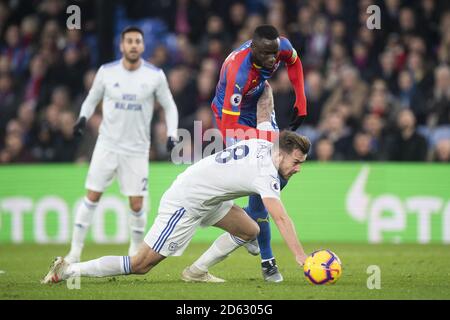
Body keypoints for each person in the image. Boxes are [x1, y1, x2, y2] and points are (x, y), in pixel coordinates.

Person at [42, 131, 310, 284]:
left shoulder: (265, 145)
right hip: (187, 200)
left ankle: (196, 272)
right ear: (280, 153)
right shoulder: (265, 173)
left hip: (210, 197)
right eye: (295, 162)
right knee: (141, 264)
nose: (297, 169)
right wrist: (300, 257)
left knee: (249, 230)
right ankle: (68, 271)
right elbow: (281, 218)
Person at [64, 26, 179, 263]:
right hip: (107, 145)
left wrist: (172, 133)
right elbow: (91, 99)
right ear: (122, 45)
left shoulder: (154, 75)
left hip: (137, 150)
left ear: (143, 46)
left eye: (138, 41)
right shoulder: (107, 72)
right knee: (92, 196)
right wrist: (82, 119)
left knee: (137, 203)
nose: (134, 45)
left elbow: (169, 105)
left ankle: (135, 248)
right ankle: (75, 251)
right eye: (129, 41)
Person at [210, 24, 307, 282]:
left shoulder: (280, 47)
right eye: (265, 54)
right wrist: (267, 137)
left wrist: (301, 98)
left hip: (260, 104)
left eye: (274, 53)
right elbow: (228, 126)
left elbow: (294, 64)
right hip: (232, 118)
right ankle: (268, 261)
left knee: (277, 174)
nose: (272, 59)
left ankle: (249, 220)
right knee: (260, 182)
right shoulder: (237, 72)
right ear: (253, 49)